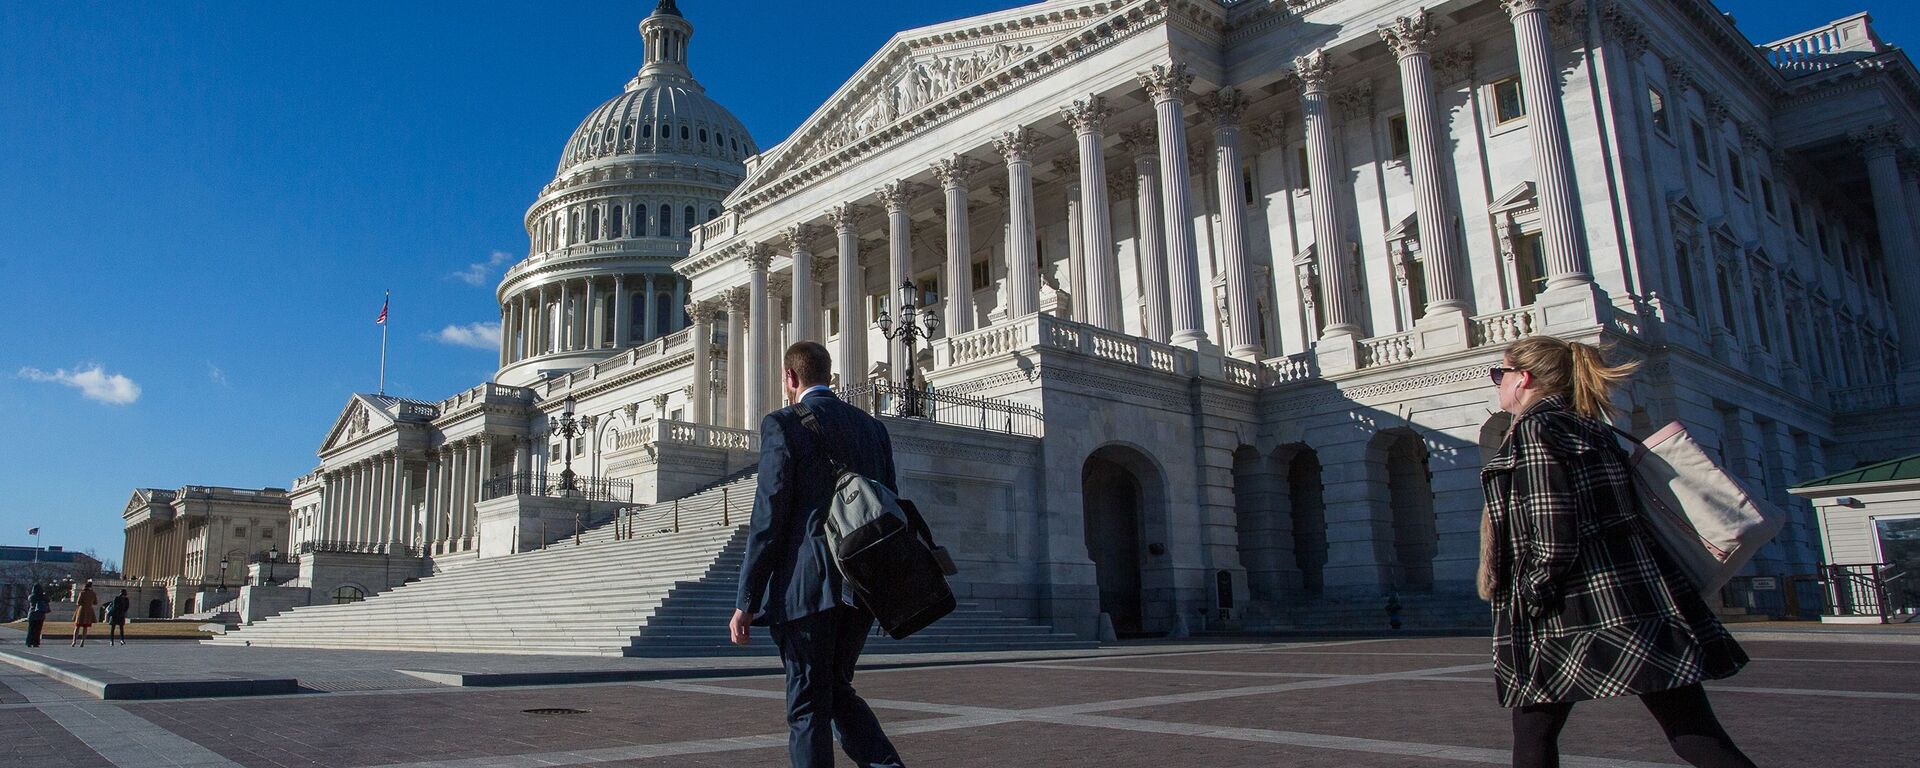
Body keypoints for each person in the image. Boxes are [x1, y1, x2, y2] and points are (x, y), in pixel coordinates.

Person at [1480, 336, 1755, 768]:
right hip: (1639, 595)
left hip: (1574, 605)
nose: (1497, 383)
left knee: (1533, 735)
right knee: (1693, 732)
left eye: (1500, 374)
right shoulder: (1590, 425)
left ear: (1523, 378)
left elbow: (1554, 531)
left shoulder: (1536, 429)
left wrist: (1531, 591)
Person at [730, 341, 906, 768]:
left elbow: (768, 518)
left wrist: (746, 601)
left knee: (808, 704)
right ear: (829, 376)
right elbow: (890, 505)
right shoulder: (872, 428)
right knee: (837, 690)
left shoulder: (782, 425)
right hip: (861, 588)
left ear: (790, 378)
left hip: (806, 590)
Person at [71, 580, 99, 647]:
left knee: (77, 626)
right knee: (85, 627)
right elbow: (96, 602)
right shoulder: (93, 593)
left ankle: (74, 641)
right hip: (89, 610)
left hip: (82, 610)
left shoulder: (82, 593)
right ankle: (82, 641)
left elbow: (78, 602)